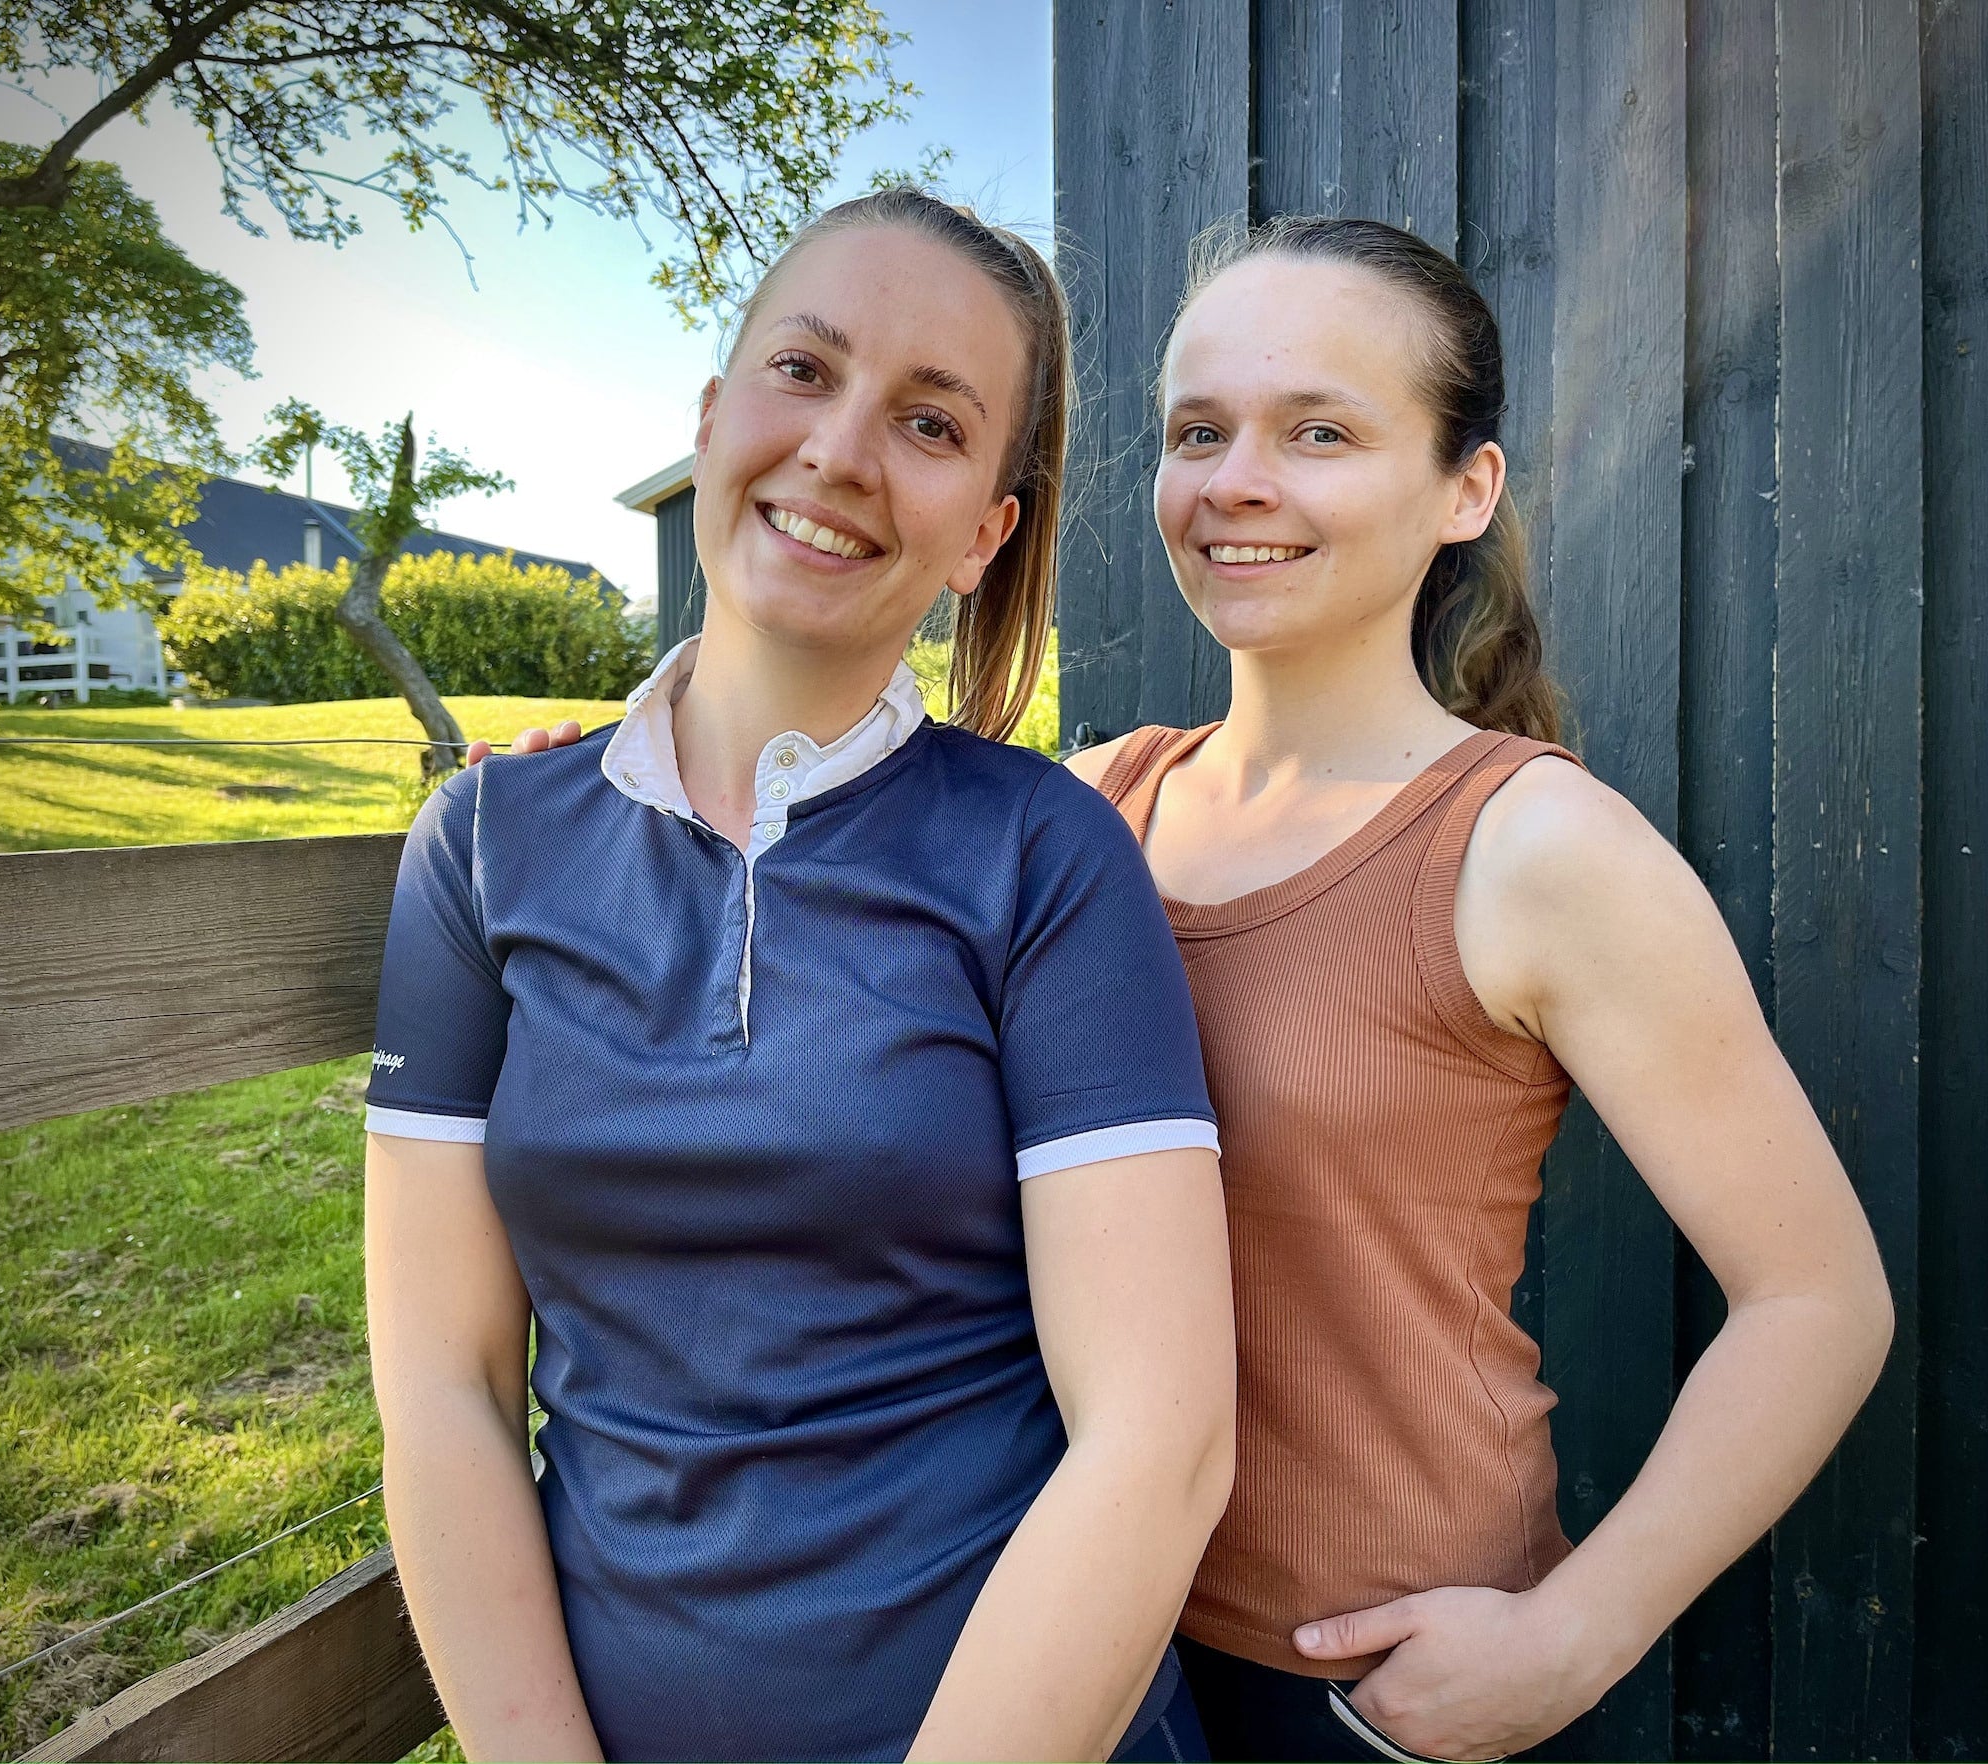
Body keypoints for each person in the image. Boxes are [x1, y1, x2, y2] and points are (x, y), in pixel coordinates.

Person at [491, 212, 1894, 1764]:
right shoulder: (1082, 812)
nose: (1236, 481)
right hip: (1049, 1639)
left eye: (1320, 432)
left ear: (1466, 488)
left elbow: (1817, 1299)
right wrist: (596, 798)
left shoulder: (1534, 847)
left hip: (1358, 1680)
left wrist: (1575, 1636)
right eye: (1199, 431)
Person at [366, 187, 1235, 1764]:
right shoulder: (485, 846)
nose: (839, 450)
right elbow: (446, 1395)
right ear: (712, 417)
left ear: (984, 536)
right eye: (803, 370)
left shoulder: (1044, 855)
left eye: (929, 421)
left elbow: (1159, 1440)